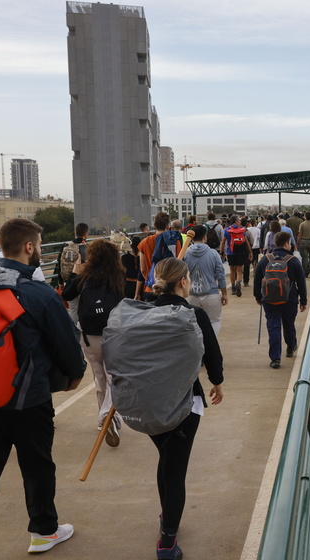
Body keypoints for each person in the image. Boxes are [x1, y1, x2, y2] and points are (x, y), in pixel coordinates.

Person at [0, 218, 86, 551]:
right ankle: (43, 531)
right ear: (29, 247)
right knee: (37, 465)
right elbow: (67, 345)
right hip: (29, 399)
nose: (40, 250)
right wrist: (74, 377)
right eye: (39, 245)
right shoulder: (38, 292)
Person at [149, 258, 224, 560]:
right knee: (176, 469)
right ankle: (167, 542)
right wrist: (217, 383)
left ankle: (167, 515)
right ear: (183, 282)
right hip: (183, 402)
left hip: (149, 402)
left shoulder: (143, 311)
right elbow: (212, 354)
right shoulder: (194, 314)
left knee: (165, 458)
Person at [61, 239, 126, 447]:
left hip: (89, 336)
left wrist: (75, 272)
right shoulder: (118, 275)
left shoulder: (85, 276)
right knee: (113, 377)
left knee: (99, 376)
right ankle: (107, 415)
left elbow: (66, 295)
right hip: (112, 333)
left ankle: (102, 419)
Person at [254, 232, 307, 369]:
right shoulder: (293, 260)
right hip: (290, 299)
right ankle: (290, 347)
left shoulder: (265, 259)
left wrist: (258, 296)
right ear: (286, 244)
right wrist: (303, 300)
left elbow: (257, 279)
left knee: (273, 327)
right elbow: (301, 282)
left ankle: (275, 359)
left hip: (269, 299)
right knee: (289, 324)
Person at [184, 225, 228, 336]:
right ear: (205, 236)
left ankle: (199, 348)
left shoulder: (185, 253)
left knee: (194, 323)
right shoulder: (213, 253)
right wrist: (224, 293)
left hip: (191, 295)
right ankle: (210, 348)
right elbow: (220, 275)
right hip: (211, 293)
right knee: (215, 321)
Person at [136, 212, 182, 301]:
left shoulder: (144, 243)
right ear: (168, 226)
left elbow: (143, 269)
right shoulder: (175, 241)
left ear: (154, 225)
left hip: (150, 288)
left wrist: (152, 281)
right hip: (170, 290)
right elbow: (179, 264)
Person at [54, 222, 89, 325]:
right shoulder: (85, 247)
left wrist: (60, 282)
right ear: (86, 234)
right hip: (82, 282)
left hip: (68, 282)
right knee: (84, 306)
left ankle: (73, 332)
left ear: (75, 232)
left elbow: (59, 265)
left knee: (73, 309)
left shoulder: (65, 246)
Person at [223, 216, 252, 297]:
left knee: (232, 271)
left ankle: (233, 287)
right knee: (239, 271)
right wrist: (250, 252)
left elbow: (223, 242)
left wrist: (222, 252)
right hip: (240, 252)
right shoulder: (242, 230)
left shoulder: (226, 230)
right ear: (236, 221)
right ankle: (238, 283)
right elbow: (246, 242)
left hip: (230, 252)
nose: (239, 221)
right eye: (238, 220)